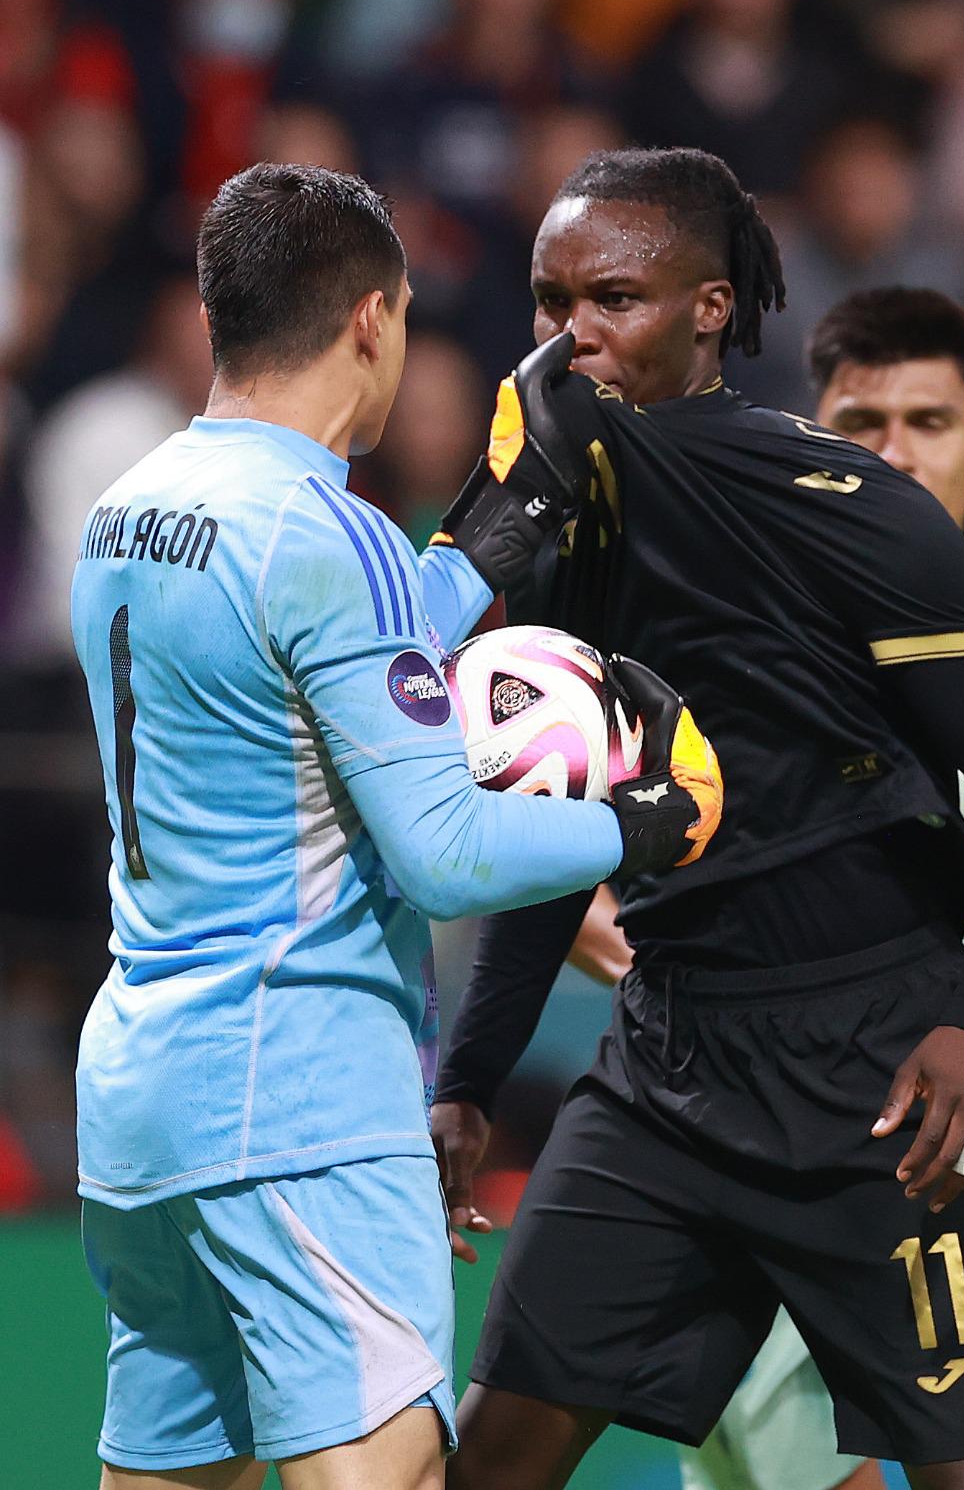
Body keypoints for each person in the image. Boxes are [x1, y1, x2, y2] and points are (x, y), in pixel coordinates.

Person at [71, 161, 721, 1490]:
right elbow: (443, 849)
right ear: (373, 320)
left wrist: (473, 551)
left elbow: (294, 686)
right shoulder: (330, 530)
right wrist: (647, 823)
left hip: (144, 1099)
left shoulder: (123, 510)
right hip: (299, 1096)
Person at [429, 147, 964, 1490]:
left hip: (880, 1081)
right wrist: (467, 1083)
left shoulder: (853, 511)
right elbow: (569, 823)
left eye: (612, 299)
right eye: (550, 303)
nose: (570, 338)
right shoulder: (550, 532)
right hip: (665, 1075)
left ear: (710, 308)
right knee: (488, 1462)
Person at [675, 286, 964, 1490]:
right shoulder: (715, 636)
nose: (895, 452)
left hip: (921, 1200)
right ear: (814, 433)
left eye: (926, 419)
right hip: (726, 1169)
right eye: (862, 421)